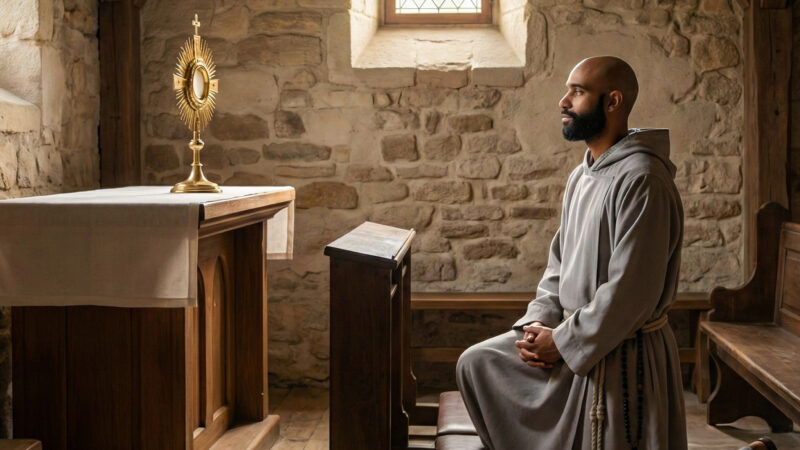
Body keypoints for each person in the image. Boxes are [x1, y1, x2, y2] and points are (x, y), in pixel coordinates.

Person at [456, 56, 687, 450]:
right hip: (570, 335)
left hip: (619, 349)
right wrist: (537, 327)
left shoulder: (643, 180)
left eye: (577, 92)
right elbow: (557, 265)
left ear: (612, 102)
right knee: (477, 363)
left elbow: (632, 294)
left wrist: (562, 342)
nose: (563, 102)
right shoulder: (584, 175)